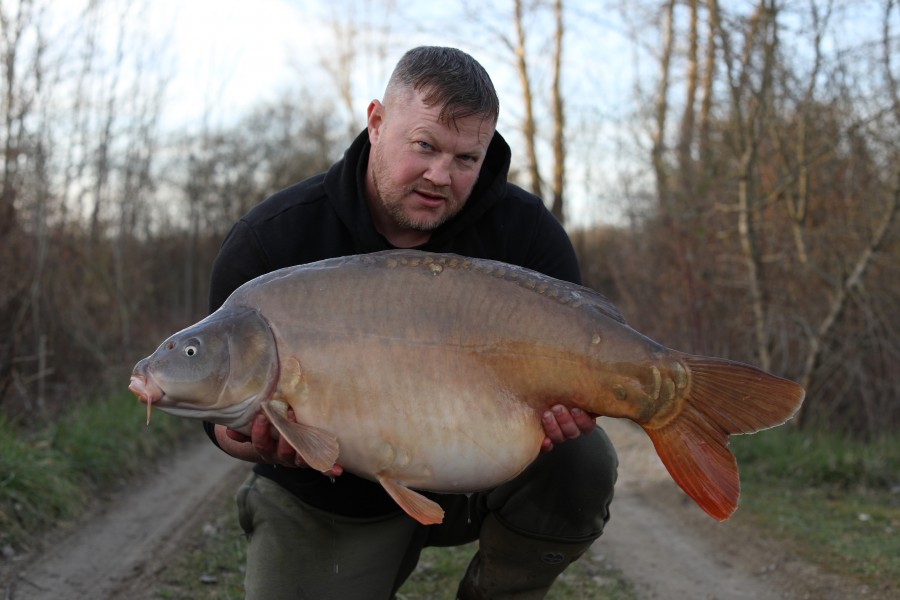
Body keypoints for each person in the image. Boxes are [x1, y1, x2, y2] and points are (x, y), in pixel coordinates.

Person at [204, 45, 618, 600]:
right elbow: (214, 410)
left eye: (466, 159)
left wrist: (570, 411)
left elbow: (580, 371)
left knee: (582, 460)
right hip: (331, 498)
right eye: (424, 146)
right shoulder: (275, 240)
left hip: (483, 475)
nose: (440, 175)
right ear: (376, 122)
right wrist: (256, 442)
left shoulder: (527, 236)